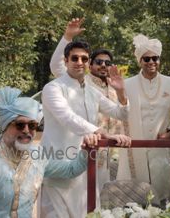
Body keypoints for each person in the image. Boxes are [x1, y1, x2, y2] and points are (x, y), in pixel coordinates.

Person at [0, 86, 94, 218]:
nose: (26, 130)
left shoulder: (37, 155)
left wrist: (86, 150)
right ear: (5, 126)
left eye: (32, 125)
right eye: (20, 125)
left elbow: (70, 170)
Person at [39, 39, 131, 218]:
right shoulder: (53, 88)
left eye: (84, 59)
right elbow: (67, 117)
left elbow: (121, 113)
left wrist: (120, 92)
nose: (79, 62)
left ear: (88, 63)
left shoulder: (91, 91)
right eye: (74, 58)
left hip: (85, 168)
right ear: (66, 61)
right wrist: (101, 132)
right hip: (58, 166)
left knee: (89, 214)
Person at [49, 18, 122, 188]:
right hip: (82, 149)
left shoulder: (113, 86)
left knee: (102, 200)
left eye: (107, 63)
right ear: (91, 64)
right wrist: (67, 36)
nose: (103, 65)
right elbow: (56, 66)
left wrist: (121, 92)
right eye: (98, 62)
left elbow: (122, 114)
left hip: (109, 153)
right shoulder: (82, 81)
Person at [116, 34, 170, 202]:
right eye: (147, 59)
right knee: (135, 199)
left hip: (160, 148)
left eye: (155, 58)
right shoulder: (127, 84)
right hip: (135, 147)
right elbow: (120, 111)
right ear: (140, 61)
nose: (151, 62)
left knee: (161, 196)